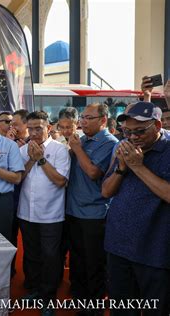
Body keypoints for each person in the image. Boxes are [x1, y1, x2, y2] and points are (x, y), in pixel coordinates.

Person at [101, 102, 169, 316]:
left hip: (155, 252)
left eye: (139, 131)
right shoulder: (123, 147)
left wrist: (138, 167)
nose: (132, 137)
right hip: (118, 246)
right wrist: (122, 168)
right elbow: (105, 191)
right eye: (127, 131)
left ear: (157, 126)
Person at [65, 103, 118, 313]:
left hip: (95, 214)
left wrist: (76, 149)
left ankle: (94, 305)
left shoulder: (109, 142)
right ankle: (79, 299)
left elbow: (94, 173)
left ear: (103, 120)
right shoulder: (83, 140)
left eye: (88, 118)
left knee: (94, 263)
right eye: (82, 118)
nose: (82, 122)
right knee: (77, 260)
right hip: (73, 210)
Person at [17, 111, 70, 316]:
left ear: (49, 127)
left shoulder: (59, 150)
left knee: (50, 256)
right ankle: (35, 290)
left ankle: (49, 297)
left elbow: (60, 181)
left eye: (38, 127)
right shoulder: (23, 150)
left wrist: (40, 159)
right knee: (31, 254)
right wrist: (31, 159)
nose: (34, 132)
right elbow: (18, 178)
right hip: (26, 212)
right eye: (30, 128)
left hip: (51, 214)